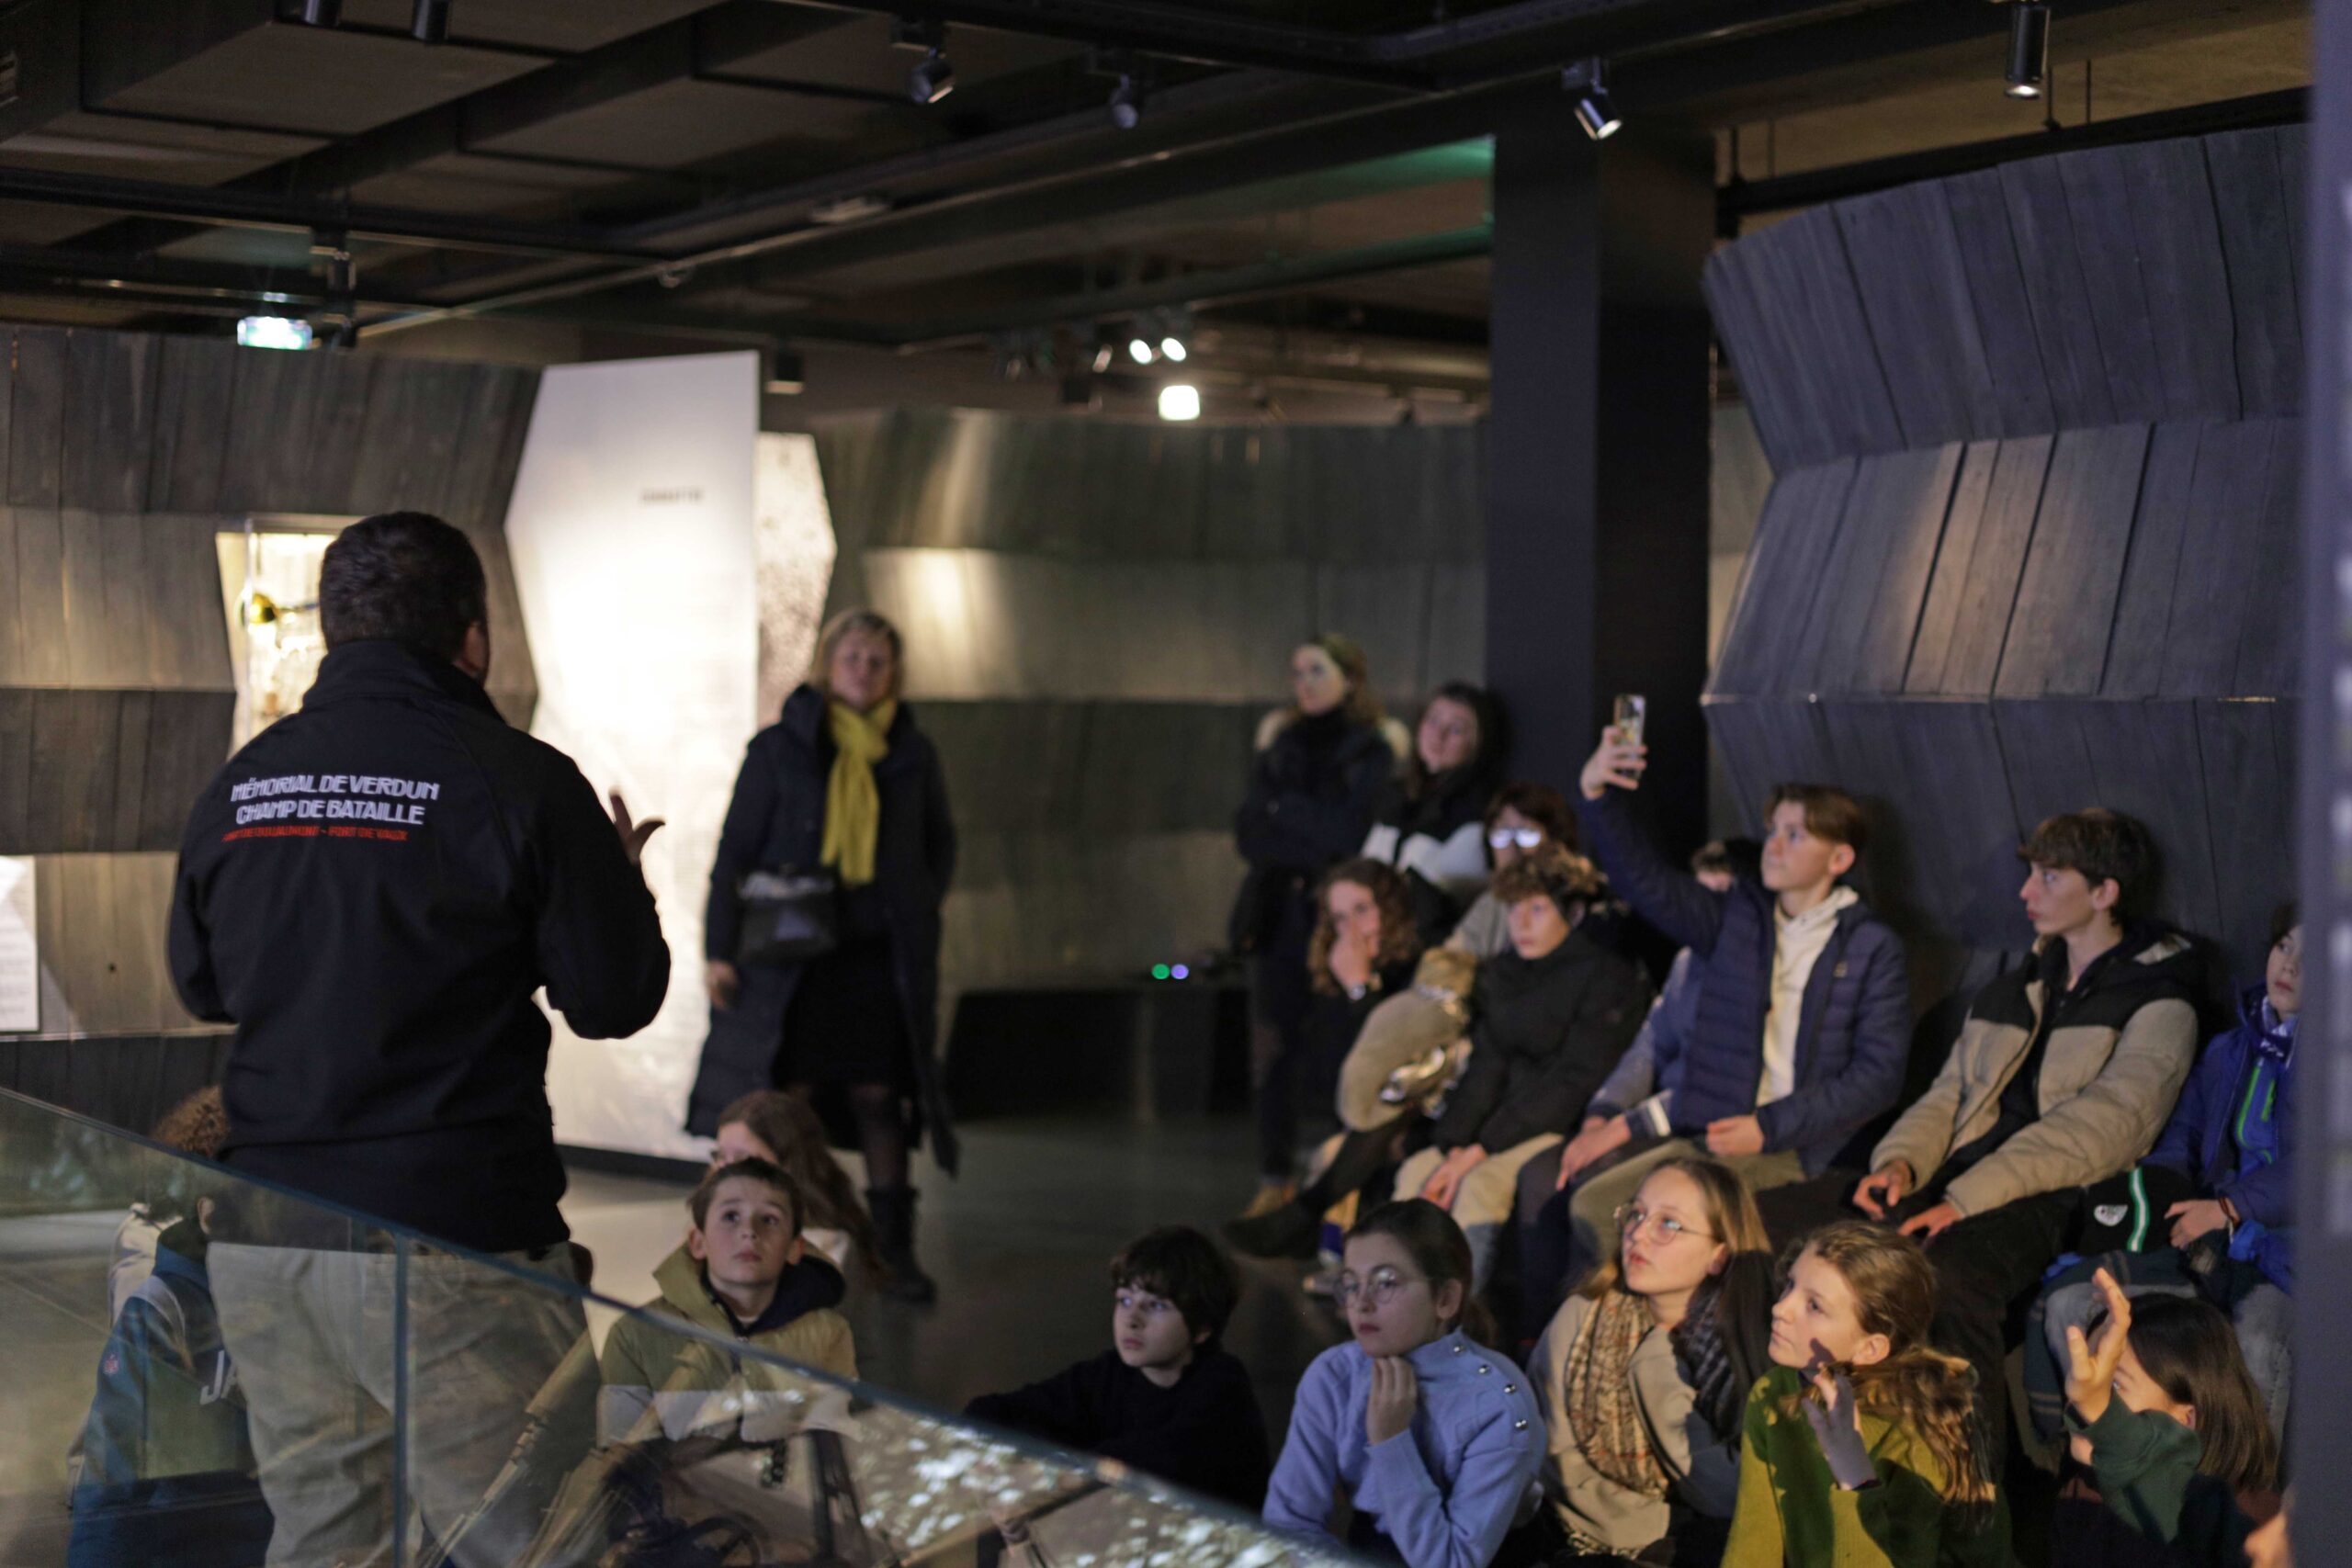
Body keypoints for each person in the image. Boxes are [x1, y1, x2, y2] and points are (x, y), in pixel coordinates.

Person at [167, 512, 671, 1567]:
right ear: (473, 638)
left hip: (272, 1240)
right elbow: (612, 998)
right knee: (533, 1544)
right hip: (455, 1243)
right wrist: (620, 888)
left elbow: (201, 985)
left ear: (331, 631)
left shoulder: (242, 785)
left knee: (327, 1545)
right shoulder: (520, 778)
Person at [1764, 807, 2202, 1463]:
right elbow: (1947, 1093)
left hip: (2054, 1197)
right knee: (1771, 1222)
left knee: (1948, 1281)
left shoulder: (2161, 1001)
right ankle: (1789, 1438)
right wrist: (1901, 1163)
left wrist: (1964, 1199)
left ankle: (1975, 1487)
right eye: (2031, 873)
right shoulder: (2013, 986)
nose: (2026, 891)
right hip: (1950, 1178)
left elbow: (2104, 1128)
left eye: (2049, 876)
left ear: (2104, 892)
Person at [1558, 727, 1909, 1296]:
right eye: (1773, 831)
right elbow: (1650, 887)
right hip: (1721, 1133)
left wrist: (1767, 1127)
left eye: (1795, 834)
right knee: (1596, 1206)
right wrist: (1597, 796)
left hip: (1799, 1148)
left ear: (1839, 858)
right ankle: (1630, 1338)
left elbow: (1878, 1077)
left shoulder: (1871, 946)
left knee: (1632, 1220)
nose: (1774, 845)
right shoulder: (1741, 917)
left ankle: (1667, 1337)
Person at [688, 608, 958, 1304]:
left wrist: (916, 903)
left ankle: (892, 1252)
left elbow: (940, 845)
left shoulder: (911, 751)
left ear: (893, 673)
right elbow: (734, 854)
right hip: (793, 960)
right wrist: (718, 950)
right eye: (852, 657)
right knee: (788, 1105)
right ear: (828, 664)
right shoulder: (780, 746)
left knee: (880, 1096)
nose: (864, 670)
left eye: (877, 660)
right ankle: (781, 1247)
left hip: (875, 958)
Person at [2026, 904, 2298, 1444]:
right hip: (2213, 1243)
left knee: (2258, 1343)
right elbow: (2182, 1138)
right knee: (2070, 1304)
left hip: (2290, 1258)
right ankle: (2100, 1466)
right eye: (2284, 946)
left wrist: (2229, 1207)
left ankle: (2242, 1491)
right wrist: (2152, 1201)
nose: (2289, 965)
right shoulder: (2233, 1047)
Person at [1514, 841, 1753, 1334]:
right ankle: (1538, 1333)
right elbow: (1649, 1046)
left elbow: (1709, 1085)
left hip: (1698, 1124)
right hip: (1652, 1116)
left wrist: (1619, 1129)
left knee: (1596, 1187)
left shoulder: (1748, 969)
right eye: (1698, 895)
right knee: (1541, 1175)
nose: (1702, 910)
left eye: (1718, 897)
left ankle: (1597, 1335)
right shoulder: (1688, 960)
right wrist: (1603, 1112)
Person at [1392, 846, 1649, 1291]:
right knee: (1417, 1174)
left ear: (1572, 911)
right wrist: (1455, 1144)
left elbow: (1573, 1081)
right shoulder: (1504, 971)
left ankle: (1460, 1317)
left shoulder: (1606, 976)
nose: (1522, 923)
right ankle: (1398, 1306)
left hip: (1553, 1125)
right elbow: (1486, 1064)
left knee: (1480, 1188)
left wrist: (1480, 1150)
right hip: (1494, 1125)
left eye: (1537, 909)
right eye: (1514, 909)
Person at [1263, 1200, 1544, 1568]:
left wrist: (1391, 1440)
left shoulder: (1497, 1405)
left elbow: (1452, 1561)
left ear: (1445, 1299)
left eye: (1385, 1283)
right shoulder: (1334, 1375)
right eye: (1351, 1284)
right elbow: (1289, 1525)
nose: (1361, 1304)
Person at [1528, 1156, 1775, 1563]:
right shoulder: (1584, 1315)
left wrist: (1656, 1368)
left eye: (1668, 1224)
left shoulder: (1754, 1347)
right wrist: (1646, 1529)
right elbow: (1553, 1456)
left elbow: (1730, 1494)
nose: (1637, 1234)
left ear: (1719, 1254)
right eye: (1637, 1214)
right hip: (1582, 1537)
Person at [1232, 635, 1403, 1215]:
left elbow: (1348, 835)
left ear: (1349, 678)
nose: (1303, 682)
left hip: (1335, 919)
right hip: (1277, 918)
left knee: (1336, 1050)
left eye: (1316, 670)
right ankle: (1274, 1176)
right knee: (1272, 1053)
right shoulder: (1279, 744)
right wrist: (1301, 828)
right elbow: (1248, 833)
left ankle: (1335, 1184)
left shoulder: (1371, 748)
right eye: (1297, 671)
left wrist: (1286, 811)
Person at [1723, 1222, 2004, 1568]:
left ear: (1870, 1349)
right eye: (1791, 1285)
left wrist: (1854, 1475)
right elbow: (1753, 1542)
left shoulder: (1914, 1433)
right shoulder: (1772, 1393)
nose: (1780, 1308)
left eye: (1814, 1306)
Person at [965, 1226, 1271, 1509]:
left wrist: (1045, 1472)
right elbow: (991, 1413)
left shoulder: (1222, 1385)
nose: (1132, 1319)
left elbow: (1157, 1460)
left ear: (1202, 1327)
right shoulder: (1109, 1374)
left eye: (1156, 1305)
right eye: (1125, 1301)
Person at [1226, 860, 1423, 1250]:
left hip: (1417, 1103)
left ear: (1390, 909)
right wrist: (1353, 988)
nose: (1351, 929)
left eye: (1362, 910)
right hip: (1366, 1113)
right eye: (1339, 918)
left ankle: (1300, 1219)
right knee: (1337, 1150)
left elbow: (1393, 1057)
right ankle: (1318, 1235)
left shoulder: (1416, 966)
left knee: (1364, 1145)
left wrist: (1362, 990)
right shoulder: (1338, 977)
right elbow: (1339, 1076)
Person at [67, 1191, 272, 1568]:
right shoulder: (163, 1308)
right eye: (259, 1214)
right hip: (191, 1545)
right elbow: (115, 1477)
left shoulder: (288, 1291)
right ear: (208, 1214)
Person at [597, 1157, 857, 1442]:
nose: (750, 1232)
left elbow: (829, 1441)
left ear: (794, 1249)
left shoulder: (828, 1332)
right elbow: (620, 1453)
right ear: (698, 1242)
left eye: (769, 1219)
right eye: (731, 1216)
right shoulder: (633, 1335)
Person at [2056, 1270, 2280, 1567]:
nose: (2085, 1394)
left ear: (2187, 1420)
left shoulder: (2254, 1533)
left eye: (2115, 1385)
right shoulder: (2083, 1494)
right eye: (2086, 1369)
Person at [1363, 682, 1506, 945]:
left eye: (1456, 729)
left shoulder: (1482, 811)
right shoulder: (1394, 795)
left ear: (1477, 742)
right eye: (1433, 720)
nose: (1438, 736)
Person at [710, 1088, 882, 1276]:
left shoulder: (824, 1246)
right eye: (720, 1156)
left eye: (744, 1158)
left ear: (788, 1166)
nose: (724, 1171)